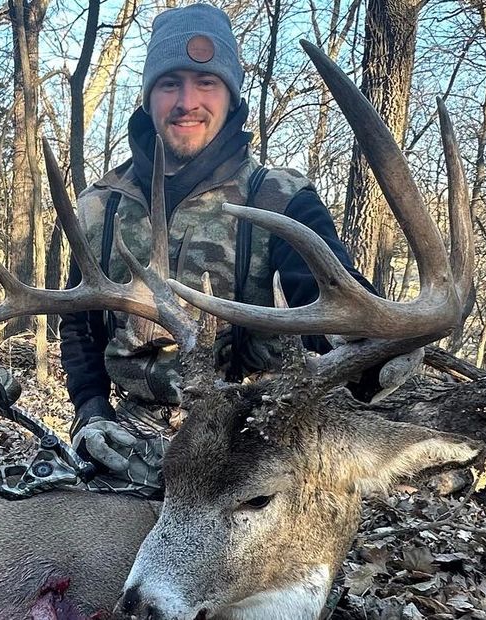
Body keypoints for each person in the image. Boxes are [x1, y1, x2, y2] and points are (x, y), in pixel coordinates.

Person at [58, 3, 418, 494]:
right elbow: (79, 325)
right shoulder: (99, 207)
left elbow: (329, 300)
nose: (188, 101)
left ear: (230, 95)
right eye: (170, 83)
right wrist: (91, 414)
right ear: (148, 99)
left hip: (252, 435)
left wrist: (376, 347)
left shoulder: (281, 197)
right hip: (130, 432)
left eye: (206, 82)